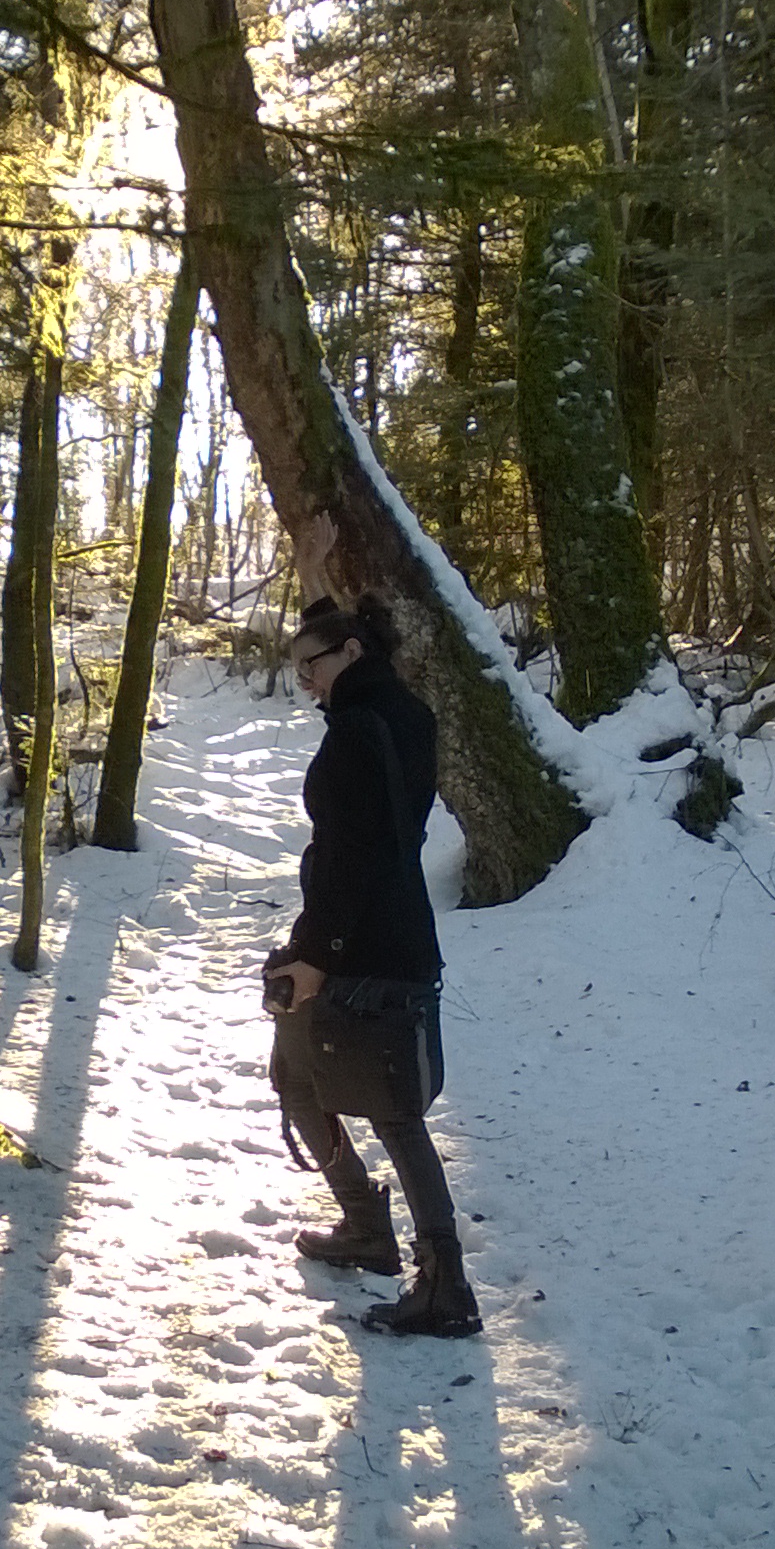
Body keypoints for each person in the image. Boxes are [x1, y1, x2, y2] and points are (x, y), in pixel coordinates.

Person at [263, 520, 479, 1339]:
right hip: (377, 928)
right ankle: (363, 1224)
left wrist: (316, 956)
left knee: (392, 1113)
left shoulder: (359, 730)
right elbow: (348, 645)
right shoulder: (396, 705)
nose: (306, 685)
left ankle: (445, 1284)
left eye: (310, 670)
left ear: (347, 657)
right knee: (294, 1072)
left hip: (366, 940)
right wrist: (317, 573)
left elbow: (359, 852)